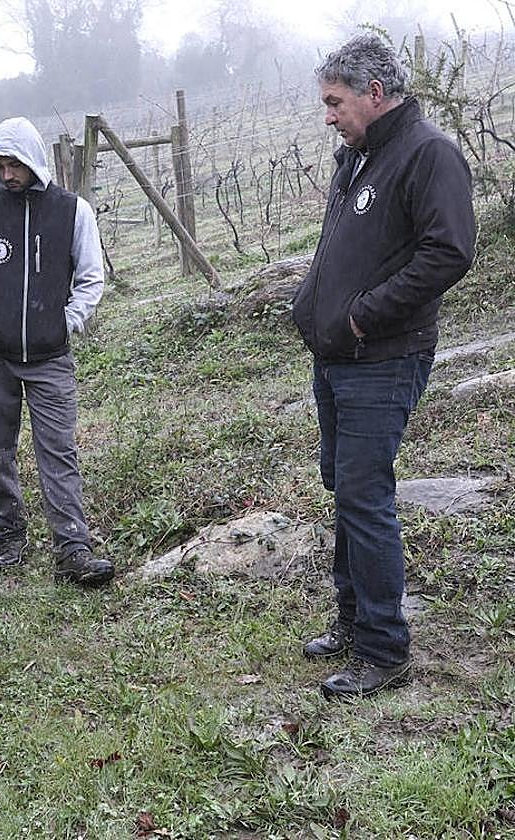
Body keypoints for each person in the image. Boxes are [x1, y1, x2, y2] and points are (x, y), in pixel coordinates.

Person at [291, 35, 476, 698]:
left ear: (374, 93)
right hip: (337, 355)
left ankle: (384, 651)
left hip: (384, 356)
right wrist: (312, 304)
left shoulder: (428, 154)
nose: (328, 113)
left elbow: (449, 252)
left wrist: (365, 314)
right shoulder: (357, 158)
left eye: (336, 101)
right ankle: (351, 620)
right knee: (343, 485)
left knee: (364, 495)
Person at [0, 116, 113, 587]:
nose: (6, 174)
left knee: (58, 450)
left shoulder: (73, 212)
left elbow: (91, 278)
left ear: (33, 161)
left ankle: (73, 548)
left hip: (50, 357)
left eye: (13, 164)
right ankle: (8, 539)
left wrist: (65, 323)